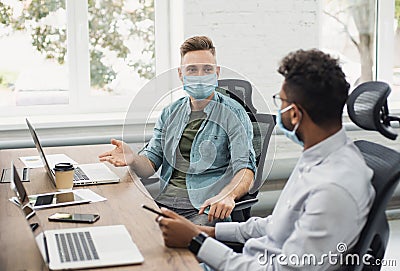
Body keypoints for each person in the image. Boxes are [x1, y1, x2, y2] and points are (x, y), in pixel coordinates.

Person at [155, 49, 375, 270]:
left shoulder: (332, 189)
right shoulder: (320, 156)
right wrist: (207, 232)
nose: (278, 107)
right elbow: (280, 223)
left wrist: (197, 243)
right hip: (249, 258)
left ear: (295, 114)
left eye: (281, 100)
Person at [99, 36, 256, 226]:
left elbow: (245, 168)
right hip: (164, 204)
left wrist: (227, 196)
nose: (199, 76)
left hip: (204, 209)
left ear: (217, 73)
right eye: (192, 70)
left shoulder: (234, 114)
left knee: (175, 249)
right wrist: (132, 158)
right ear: (181, 75)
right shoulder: (170, 113)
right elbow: (150, 164)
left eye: (207, 69)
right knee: (122, 225)